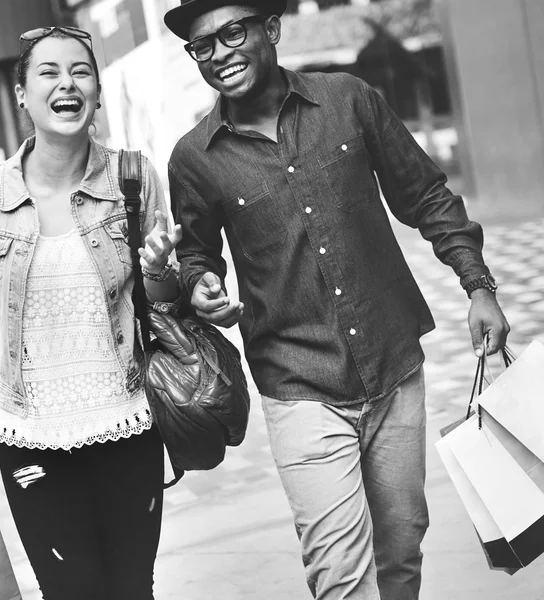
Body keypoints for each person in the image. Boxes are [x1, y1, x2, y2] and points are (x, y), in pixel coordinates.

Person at [164, 2, 510, 599]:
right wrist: (201, 286)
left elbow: (424, 195)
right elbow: (196, 257)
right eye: (202, 46)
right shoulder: (194, 158)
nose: (219, 53)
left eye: (233, 32)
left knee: (402, 548)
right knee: (339, 576)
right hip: (297, 381)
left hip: (392, 361)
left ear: (270, 29)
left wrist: (478, 284)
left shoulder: (349, 100)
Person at [0, 26, 181, 600]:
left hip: (127, 423)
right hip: (28, 436)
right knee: (70, 590)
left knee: (131, 589)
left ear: (97, 92)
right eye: (48, 72)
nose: (67, 82)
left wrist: (161, 271)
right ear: (22, 93)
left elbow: (165, 302)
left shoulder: (133, 177)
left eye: (80, 71)